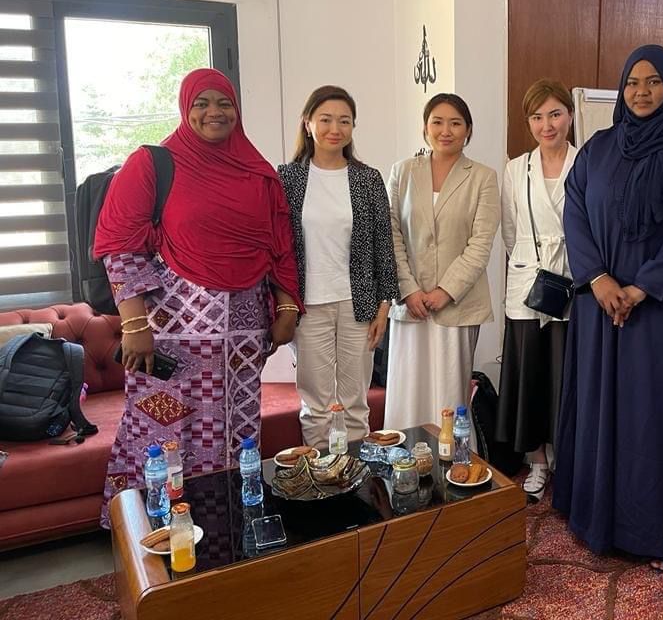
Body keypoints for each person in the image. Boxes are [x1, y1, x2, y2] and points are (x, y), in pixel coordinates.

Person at [94, 67, 302, 527]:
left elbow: (281, 247)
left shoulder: (258, 174)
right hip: (171, 337)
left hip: (241, 342)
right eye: (202, 103)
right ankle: (153, 535)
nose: (214, 112)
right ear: (185, 109)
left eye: (224, 103)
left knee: (238, 434)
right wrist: (134, 324)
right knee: (161, 435)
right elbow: (119, 246)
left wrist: (287, 307)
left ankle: (228, 527)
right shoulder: (152, 164)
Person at [554, 44, 663, 570]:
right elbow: (575, 211)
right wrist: (599, 278)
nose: (642, 92)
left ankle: (659, 530)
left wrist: (643, 287)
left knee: (656, 416)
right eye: (633, 82)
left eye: (654, 81)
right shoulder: (599, 148)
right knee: (600, 409)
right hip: (602, 305)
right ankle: (598, 518)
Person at [277, 86, 399, 447]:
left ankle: (356, 475)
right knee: (316, 404)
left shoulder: (368, 179)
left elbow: (383, 245)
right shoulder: (287, 178)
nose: (335, 129)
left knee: (355, 402)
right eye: (326, 119)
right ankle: (319, 476)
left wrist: (384, 308)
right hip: (307, 305)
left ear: (353, 126)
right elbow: (277, 246)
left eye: (344, 121)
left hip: (358, 304)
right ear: (308, 123)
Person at [385, 93, 499, 435]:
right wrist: (409, 290)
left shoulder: (483, 177)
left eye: (455, 123)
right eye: (437, 122)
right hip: (410, 304)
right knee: (407, 392)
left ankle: (452, 458)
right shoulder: (403, 171)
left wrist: (445, 291)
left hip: (457, 304)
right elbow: (390, 234)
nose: (445, 131)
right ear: (425, 128)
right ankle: (403, 458)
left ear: (468, 130)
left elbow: (480, 243)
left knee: (449, 395)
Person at [496, 79, 577, 499]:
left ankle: (570, 461)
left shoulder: (585, 163)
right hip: (529, 282)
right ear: (528, 122)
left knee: (565, 376)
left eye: (555, 114)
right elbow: (510, 233)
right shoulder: (516, 168)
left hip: (572, 282)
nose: (547, 125)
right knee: (529, 375)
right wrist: (533, 260)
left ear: (570, 116)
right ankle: (538, 462)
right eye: (537, 116)